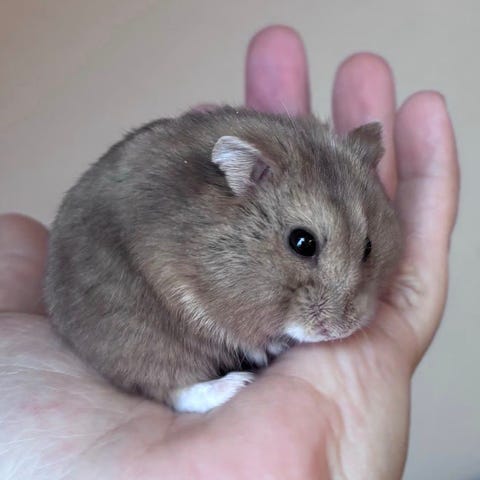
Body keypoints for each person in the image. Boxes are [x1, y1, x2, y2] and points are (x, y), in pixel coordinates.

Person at [0, 25, 458, 479]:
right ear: (247, 175)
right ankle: (179, 390)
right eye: (303, 244)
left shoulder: (345, 193)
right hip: (129, 297)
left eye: (364, 251)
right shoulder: (198, 229)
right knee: (142, 308)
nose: (338, 315)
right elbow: (194, 275)